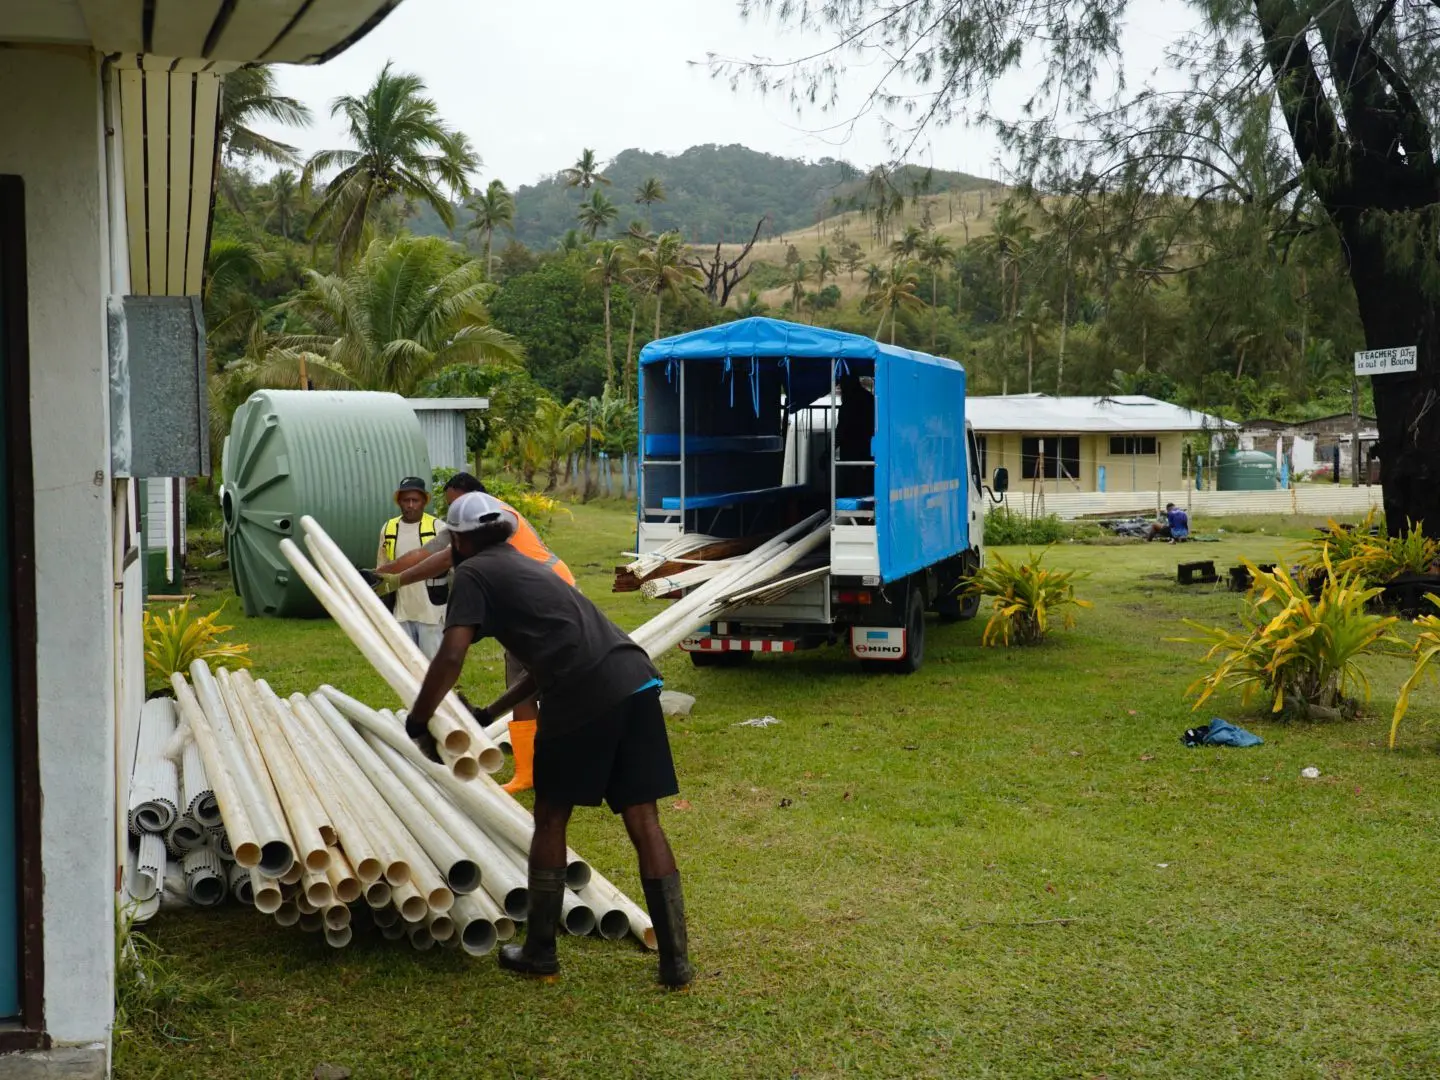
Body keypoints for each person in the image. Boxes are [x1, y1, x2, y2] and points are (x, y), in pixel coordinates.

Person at [405, 492, 693, 988]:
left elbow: (451, 655)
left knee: (551, 817)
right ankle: (676, 964)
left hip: (583, 692)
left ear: (461, 540)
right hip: (635, 679)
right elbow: (547, 659)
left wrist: (418, 720)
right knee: (644, 820)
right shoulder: (525, 563)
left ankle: (540, 951)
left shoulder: (472, 572)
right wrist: (489, 713)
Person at [371, 472, 573, 794]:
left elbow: (444, 558)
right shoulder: (473, 530)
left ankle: (557, 764)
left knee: (559, 685)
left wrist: (420, 716)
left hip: (552, 598)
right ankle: (529, 772)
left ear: (473, 500)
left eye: (456, 504)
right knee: (523, 682)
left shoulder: (496, 520)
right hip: (525, 604)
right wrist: (385, 576)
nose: (454, 513)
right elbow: (430, 552)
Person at [376, 477, 449, 659]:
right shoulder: (389, 528)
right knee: (406, 665)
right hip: (401, 613)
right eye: (405, 500)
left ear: (424, 501)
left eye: (415, 500)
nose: (410, 505)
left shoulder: (438, 528)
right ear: (399, 502)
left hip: (432, 613)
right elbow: (382, 568)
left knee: (433, 666)